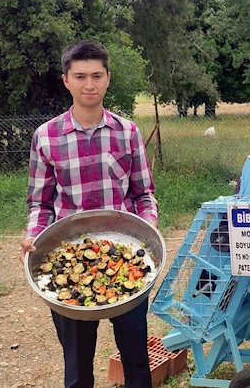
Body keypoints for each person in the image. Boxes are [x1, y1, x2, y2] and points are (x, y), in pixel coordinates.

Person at [20, 40, 158, 388]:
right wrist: (34, 235)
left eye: (97, 75)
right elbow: (40, 202)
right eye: (80, 76)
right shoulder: (46, 137)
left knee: (136, 361)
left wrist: (150, 231)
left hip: (125, 257)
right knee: (77, 366)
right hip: (70, 254)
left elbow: (144, 194)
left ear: (108, 78)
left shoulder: (127, 132)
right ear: (66, 80)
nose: (89, 84)